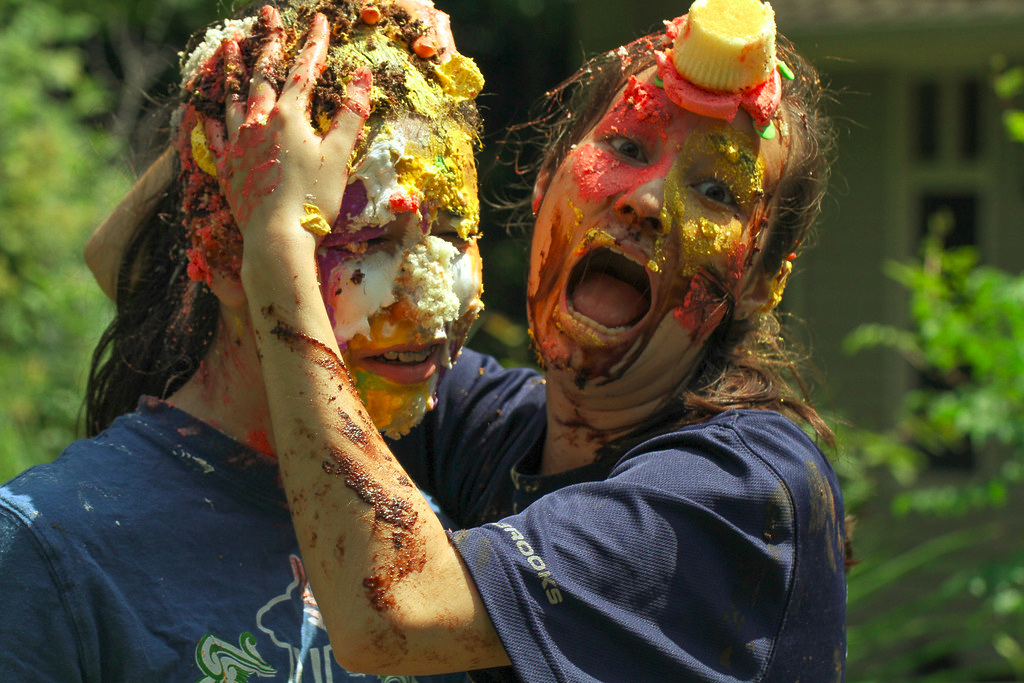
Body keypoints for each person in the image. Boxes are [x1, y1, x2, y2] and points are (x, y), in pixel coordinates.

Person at [228, 0, 848, 680]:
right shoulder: (502, 432)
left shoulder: (743, 487)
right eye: (627, 147)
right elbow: (136, 271)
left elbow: (394, 611)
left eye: (716, 191)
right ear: (547, 176)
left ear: (760, 282)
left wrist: (280, 243)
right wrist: (339, 48)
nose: (644, 200)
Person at [0, 1, 486, 680]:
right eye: (373, 241)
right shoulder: (49, 553)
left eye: (455, 232)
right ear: (228, 257)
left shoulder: (428, 551)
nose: (432, 293)